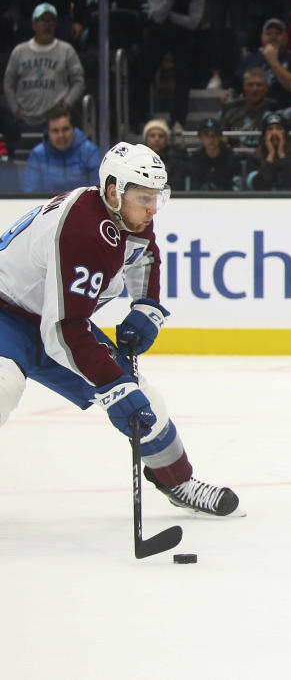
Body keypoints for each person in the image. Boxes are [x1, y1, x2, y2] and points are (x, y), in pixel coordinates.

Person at [1, 142, 241, 516]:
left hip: (54, 316)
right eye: (144, 198)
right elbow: (64, 328)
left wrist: (147, 304)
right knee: (3, 383)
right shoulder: (82, 229)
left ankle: (177, 480)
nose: (152, 209)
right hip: (6, 312)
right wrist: (112, 386)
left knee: (144, 397)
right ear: (114, 190)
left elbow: (143, 253)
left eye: (157, 198)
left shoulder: (129, 215)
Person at [3, 3, 85, 133]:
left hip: (57, 122)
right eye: (42, 21)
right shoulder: (19, 51)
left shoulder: (67, 50)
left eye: (51, 21)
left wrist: (66, 104)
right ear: (34, 24)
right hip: (25, 120)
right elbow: (8, 84)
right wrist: (15, 110)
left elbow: (79, 82)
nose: (47, 25)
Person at [130, 0, 205, 133]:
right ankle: (138, 119)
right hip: (157, 33)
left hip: (183, 36)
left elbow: (194, 22)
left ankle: (178, 121)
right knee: (144, 74)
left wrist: (170, 16)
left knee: (182, 75)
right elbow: (158, 17)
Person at [225, 18, 291, 110]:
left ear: (286, 38)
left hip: (284, 111)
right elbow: (235, 88)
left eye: (278, 33)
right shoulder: (249, 60)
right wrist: (228, 95)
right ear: (262, 37)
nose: (273, 37)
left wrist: (273, 61)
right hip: (253, 111)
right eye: (268, 34)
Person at [23, 107, 101, 193]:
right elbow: (31, 191)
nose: (61, 135)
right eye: (55, 131)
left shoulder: (90, 151)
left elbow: (97, 189)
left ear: (73, 129)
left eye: (65, 129)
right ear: (48, 133)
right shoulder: (37, 154)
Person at [246, 112, 291, 190]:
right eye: (269, 129)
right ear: (264, 135)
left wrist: (282, 154)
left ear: (286, 133)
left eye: (279, 128)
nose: (274, 133)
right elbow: (259, 187)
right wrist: (270, 155)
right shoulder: (254, 157)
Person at [219, 67, 279, 149]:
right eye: (250, 85)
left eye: (259, 85)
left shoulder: (275, 111)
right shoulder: (231, 110)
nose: (254, 89)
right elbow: (222, 137)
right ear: (244, 88)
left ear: (266, 88)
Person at [187, 118, 243, 191]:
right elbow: (193, 186)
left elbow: (236, 186)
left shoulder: (231, 158)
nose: (211, 139)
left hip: (226, 199)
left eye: (214, 134)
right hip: (200, 199)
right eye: (206, 135)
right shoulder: (195, 158)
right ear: (200, 138)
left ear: (220, 137)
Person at [142, 118, 188, 192]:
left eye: (161, 136)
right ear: (146, 139)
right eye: (152, 135)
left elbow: (177, 187)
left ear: (167, 139)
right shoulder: (137, 160)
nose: (156, 139)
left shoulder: (176, 160)